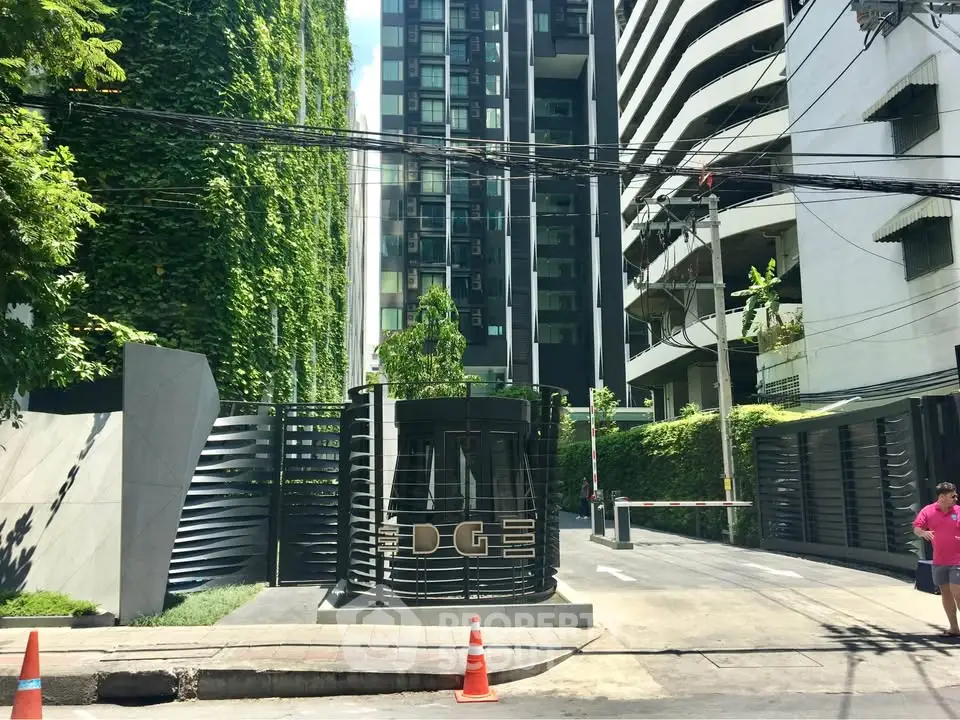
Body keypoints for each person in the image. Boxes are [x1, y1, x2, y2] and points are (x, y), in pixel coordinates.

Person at [913, 482, 960, 636]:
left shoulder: (958, 511)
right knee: (945, 593)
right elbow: (917, 527)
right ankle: (954, 628)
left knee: (957, 592)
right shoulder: (928, 510)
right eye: (952, 496)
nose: (956, 498)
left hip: (958, 560)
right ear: (942, 497)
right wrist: (922, 533)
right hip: (939, 560)